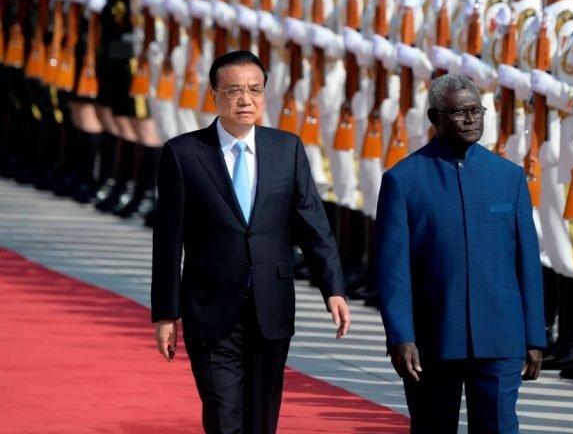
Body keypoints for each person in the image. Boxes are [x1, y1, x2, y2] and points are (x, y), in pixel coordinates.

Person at [151, 50, 351, 434]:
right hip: (209, 307)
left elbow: (313, 224)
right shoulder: (184, 154)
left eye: (255, 90)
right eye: (234, 91)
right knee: (224, 417)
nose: (245, 100)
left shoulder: (287, 148)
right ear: (214, 95)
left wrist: (334, 289)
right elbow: (167, 241)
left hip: (270, 305)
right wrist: (165, 313)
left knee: (262, 420)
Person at [376, 73, 546, 433]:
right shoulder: (403, 180)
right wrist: (400, 336)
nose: (471, 119)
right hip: (433, 337)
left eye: (476, 111)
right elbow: (393, 271)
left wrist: (534, 337)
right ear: (435, 118)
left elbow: (527, 264)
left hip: (500, 337)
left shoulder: (509, 177)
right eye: (459, 113)